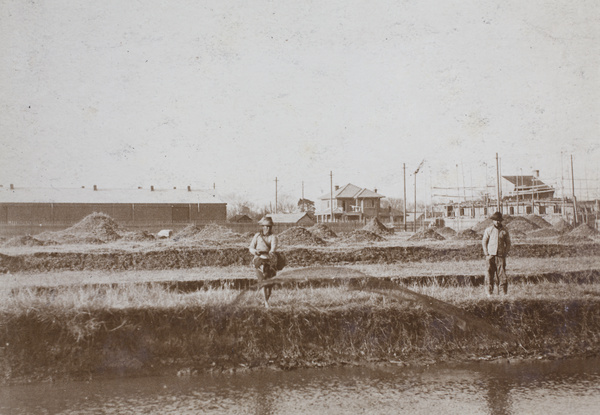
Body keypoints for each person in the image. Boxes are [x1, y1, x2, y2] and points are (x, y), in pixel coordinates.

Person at [249, 216, 279, 308]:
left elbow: (273, 248)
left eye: (269, 227)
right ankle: (266, 302)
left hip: (269, 261)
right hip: (259, 260)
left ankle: (266, 299)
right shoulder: (257, 236)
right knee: (263, 281)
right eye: (266, 226)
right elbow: (251, 247)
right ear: (262, 227)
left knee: (270, 284)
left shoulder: (273, 237)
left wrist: (271, 252)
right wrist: (255, 252)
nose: (267, 228)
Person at [482, 212, 511, 296]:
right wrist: (486, 253)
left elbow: (508, 243)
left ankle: (503, 293)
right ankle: (489, 293)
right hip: (490, 256)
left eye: (499, 220)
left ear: (501, 221)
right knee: (489, 274)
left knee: (502, 275)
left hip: (500, 256)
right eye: (495, 220)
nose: (497, 222)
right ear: (493, 221)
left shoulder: (504, 231)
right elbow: (484, 241)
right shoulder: (489, 230)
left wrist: (505, 252)